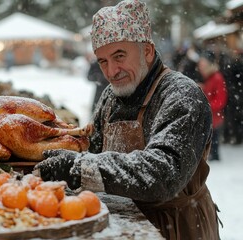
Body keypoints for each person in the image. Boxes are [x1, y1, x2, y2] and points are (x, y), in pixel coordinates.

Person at [34, 0, 221, 239]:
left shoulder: (182, 96)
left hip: (178, 225)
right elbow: (94, 149)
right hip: (125, 227)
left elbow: (163, 174)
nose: (111, 71)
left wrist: (80, 167)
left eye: (119, 56)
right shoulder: (110, 97)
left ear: (147, 50)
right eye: (102, 61)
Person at [198, 51, 228, 161]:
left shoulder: (217, 77)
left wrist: (206, 106)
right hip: (211, 117)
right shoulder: (210, 77)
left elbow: (220, 100)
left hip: (214, 118)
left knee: (214, 146)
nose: (200, 68)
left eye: (202, 65)